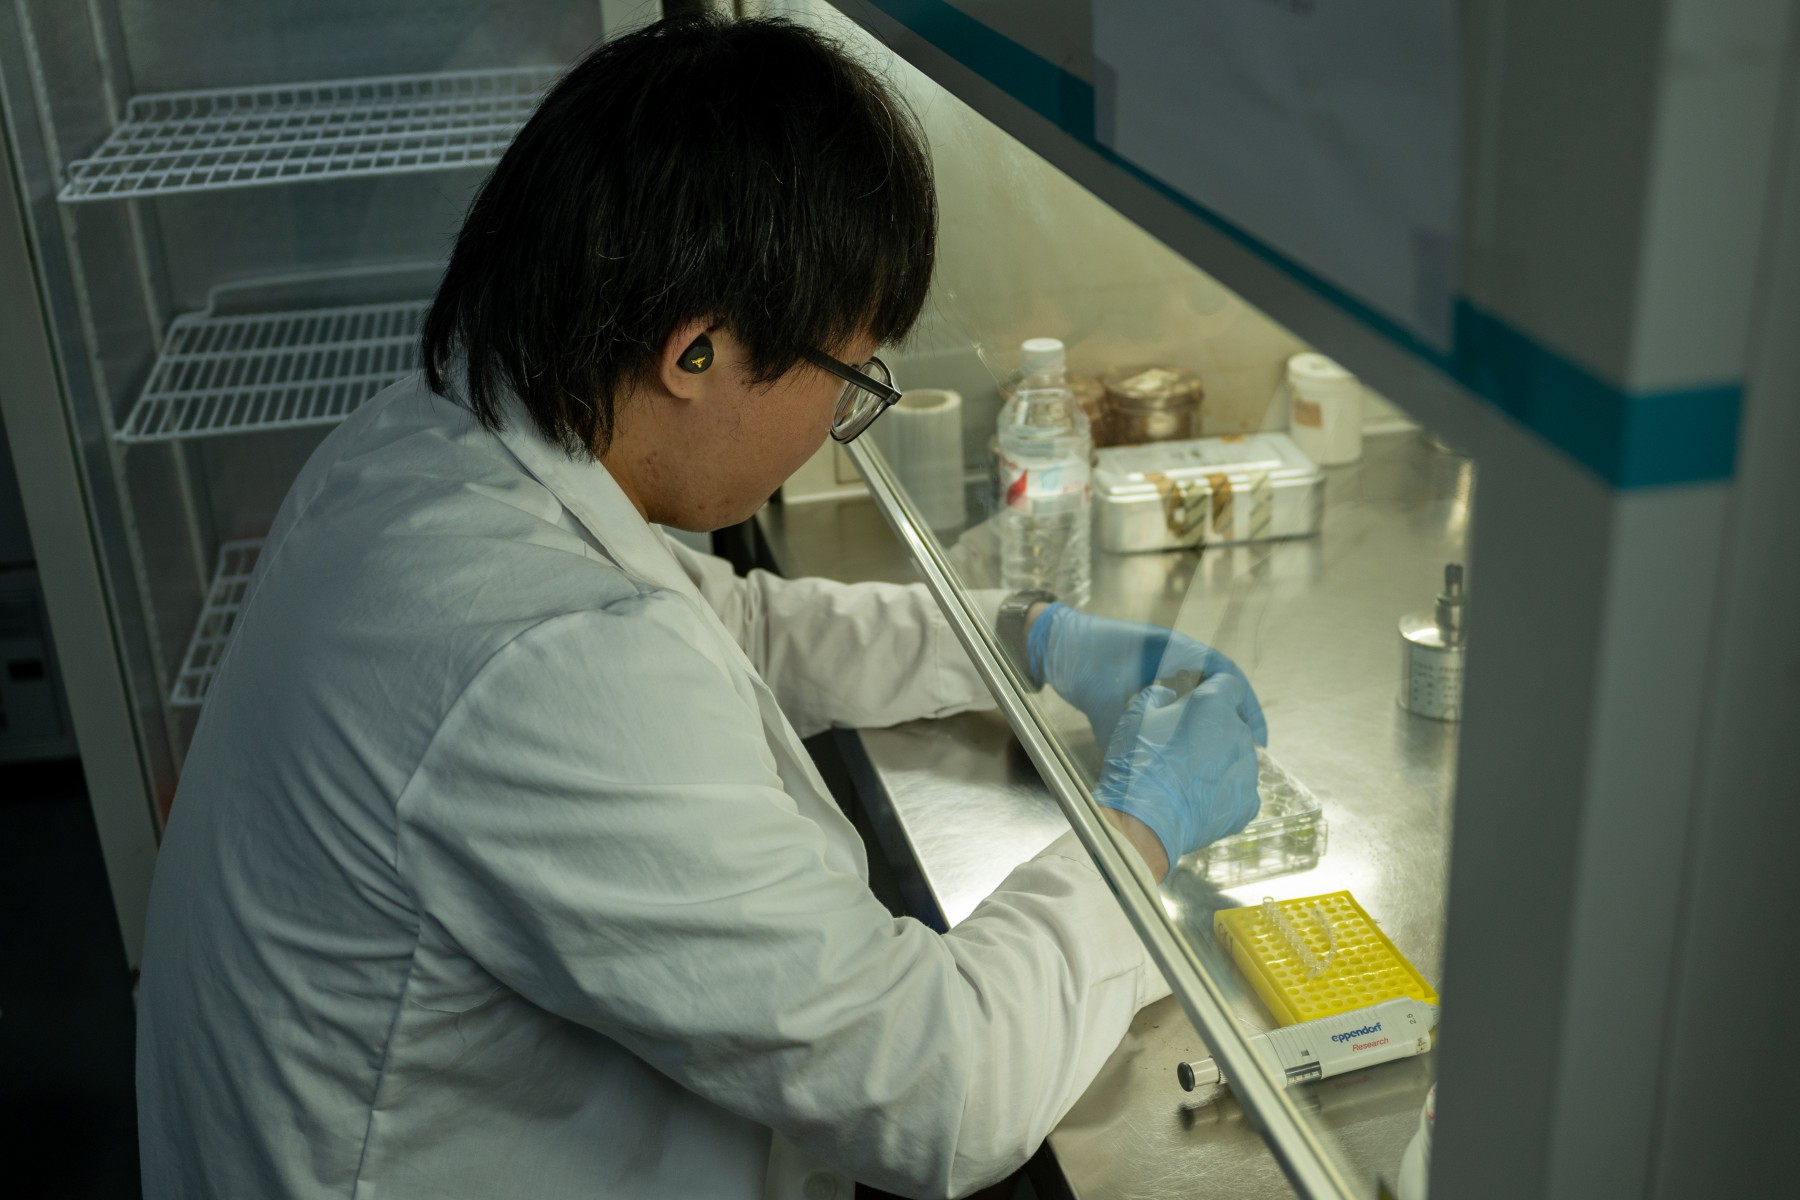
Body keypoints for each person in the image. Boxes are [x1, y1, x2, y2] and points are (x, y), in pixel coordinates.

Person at [135, 14, 1265, 1200]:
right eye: (849, 375)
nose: (838, 420)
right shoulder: (547, 666)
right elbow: (942, 1087)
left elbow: (731, 628)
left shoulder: (433, 440)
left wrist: (1019, 639)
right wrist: (1139, 835)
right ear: (695, 355)